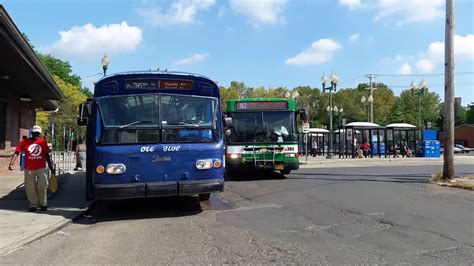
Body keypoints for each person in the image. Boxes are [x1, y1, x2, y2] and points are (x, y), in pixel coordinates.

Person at [8, 125, 55, 212]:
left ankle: (43, 204)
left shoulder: (42, 141)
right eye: (34, 133)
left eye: (38, 133)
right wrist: (11, 163)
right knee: (30, 187)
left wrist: (51, 167)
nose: (36, 134)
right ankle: (33, 204)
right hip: (29, 168)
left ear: (40, 134)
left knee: (42, 186)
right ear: (32, 133)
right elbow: (17, 152)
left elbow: (46, 155)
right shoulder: (25, 142)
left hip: (41, 168)